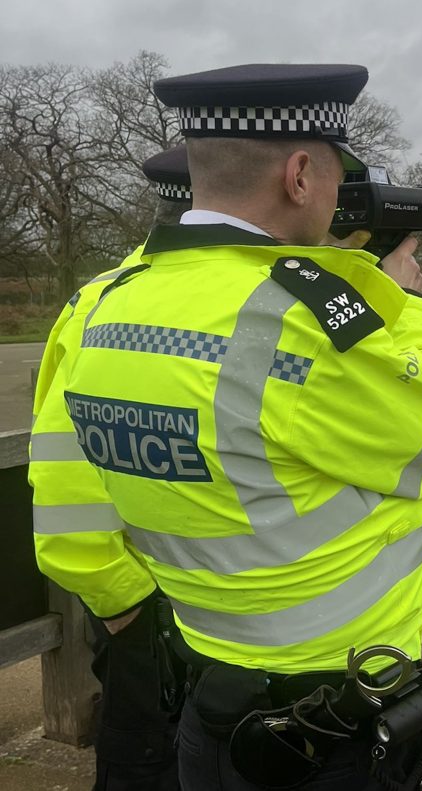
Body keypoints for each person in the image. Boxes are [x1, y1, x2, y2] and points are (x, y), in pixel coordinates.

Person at [30, 63, 422, 790]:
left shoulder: (102, 307)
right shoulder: (295, 322)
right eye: (338, 176)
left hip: (209, 700)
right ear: (300, 174)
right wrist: (393, 296)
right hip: (333, 719)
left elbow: (73, 504)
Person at [30, 145, 193, 791]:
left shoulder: (95, 301)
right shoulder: (106, 306)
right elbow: (66, 481)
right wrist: (133, 612)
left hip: (163, 611)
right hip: (155, 616)